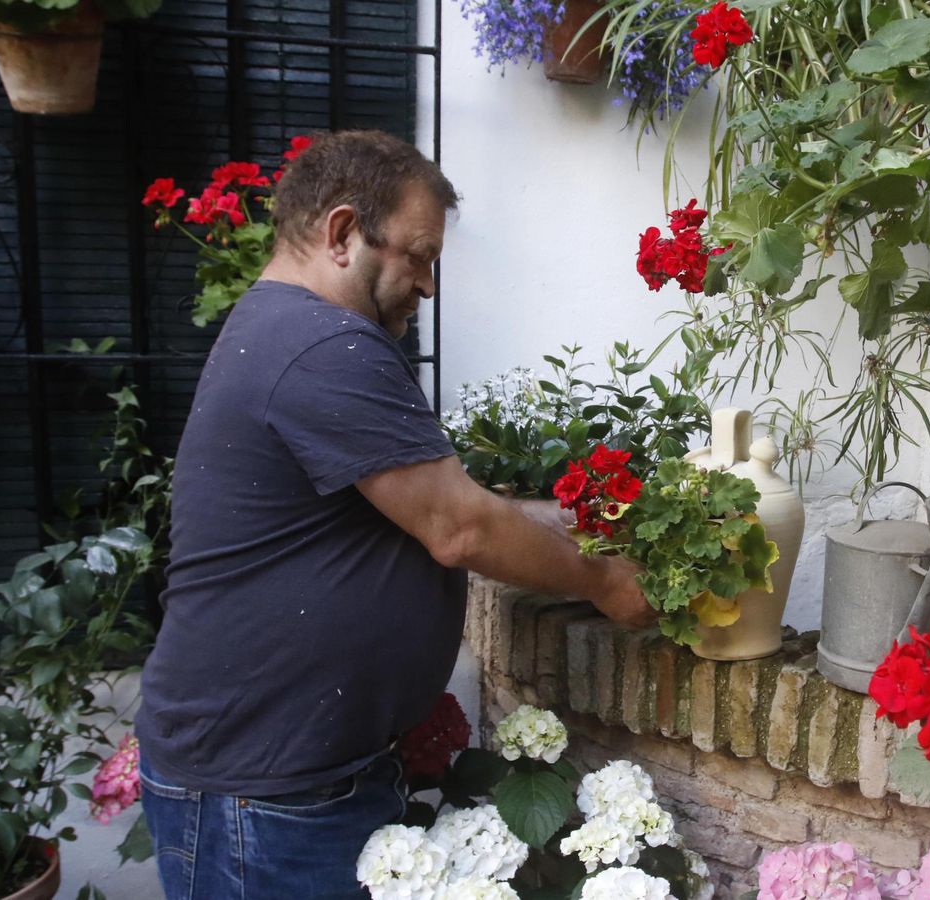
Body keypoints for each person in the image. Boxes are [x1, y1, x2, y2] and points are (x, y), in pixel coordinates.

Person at [133, 130, 654, 900]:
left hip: (278, 781)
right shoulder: (320, 344)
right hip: (269, 799)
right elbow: (458, 527)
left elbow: (427, 502)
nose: (428, 284)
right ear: (342, 233)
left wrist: (579, 522)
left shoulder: (284, 330)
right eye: (418, 255)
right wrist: (606, 580)